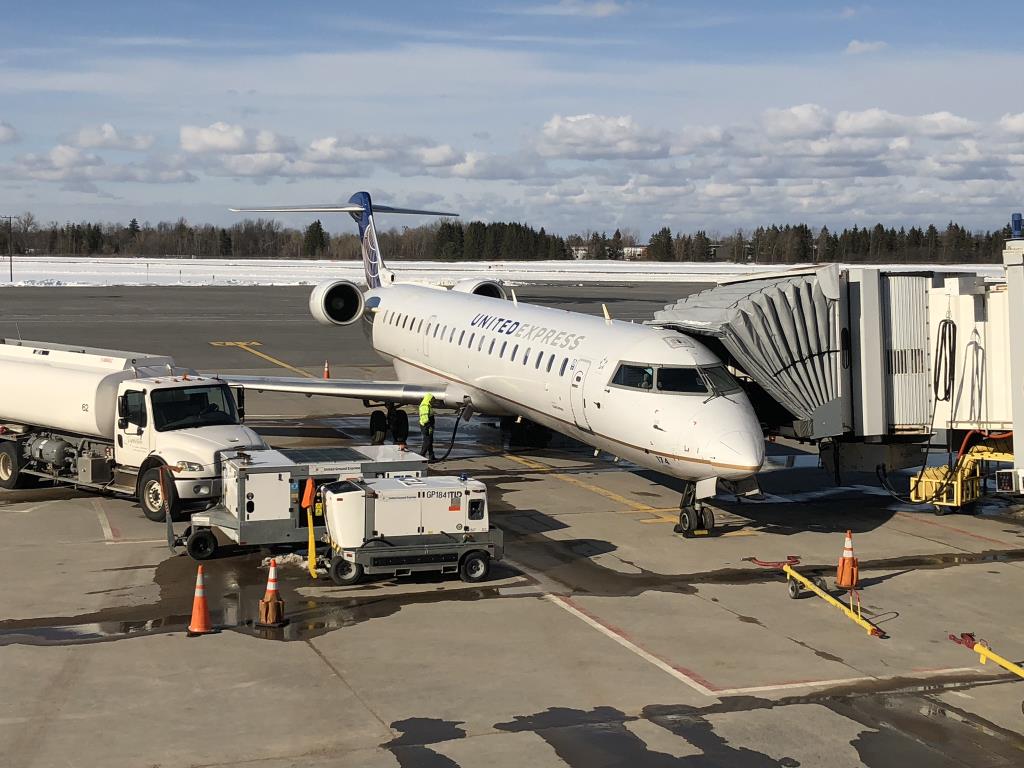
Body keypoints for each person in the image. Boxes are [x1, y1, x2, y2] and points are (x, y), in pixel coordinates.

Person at [418, 393, 437, 461]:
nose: (433, 402)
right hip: (426, 426)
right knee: (427, 441)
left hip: (429, 426)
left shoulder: (428, 406)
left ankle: (432, 456)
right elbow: (425, 419)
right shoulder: (424, 406)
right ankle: (421, 456)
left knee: (430, 441)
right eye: (432, 400)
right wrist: (428, 426)